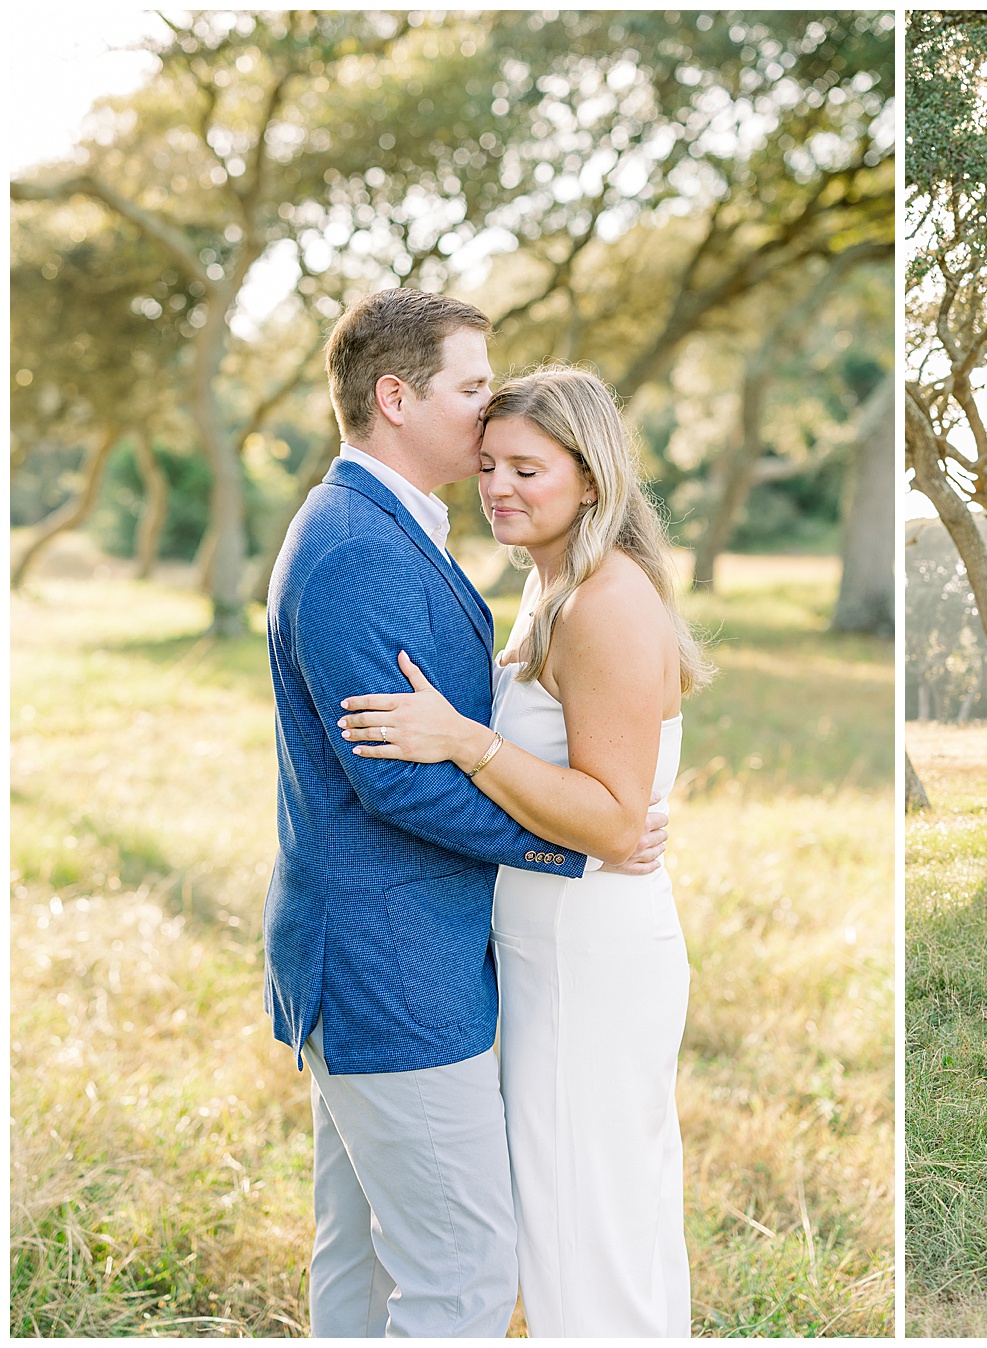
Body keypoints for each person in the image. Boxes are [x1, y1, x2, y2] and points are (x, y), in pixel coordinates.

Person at [262, 290, 666, 1337]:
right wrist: (576, 842)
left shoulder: (390, 529)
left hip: (408, 955)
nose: (488, 421)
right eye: (473, 390)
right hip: (391, 967)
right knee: (463, 1272)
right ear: (397, 398)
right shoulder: (358, 547)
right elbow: (394, 776)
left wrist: (597, 817)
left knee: (361, 1257)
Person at [337, 365, 711, 1335]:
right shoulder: (552, 588)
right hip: (546, 953)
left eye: (529, 469)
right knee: (577, 1219)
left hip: (590, 960)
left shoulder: (605, 603)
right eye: (490, 464)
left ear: (592, 480)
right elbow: (596, 793)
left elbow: (615, 822)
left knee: (589, 1226)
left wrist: (466, 741)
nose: (500, 486)